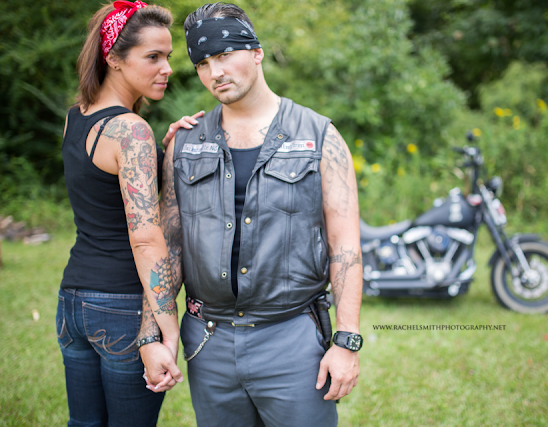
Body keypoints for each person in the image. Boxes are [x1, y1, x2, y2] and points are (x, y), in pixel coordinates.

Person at [141, 3, 364, 426]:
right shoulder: (184, 144)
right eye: (202, 63)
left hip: (293, 338)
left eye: (225, 55)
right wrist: (151, 334)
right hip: (209, 342)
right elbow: (166, 248)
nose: (215, 72)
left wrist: (346, 341)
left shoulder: (320, 137)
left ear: (257, 52)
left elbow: (345, 245)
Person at [56, 1, 193, 425]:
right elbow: (146, 237)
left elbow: (103, 196)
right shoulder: (131, 130)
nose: (167, 68)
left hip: (73, 301)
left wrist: (162, 154)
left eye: (167, 56)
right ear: (113, 59)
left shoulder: (76, 118)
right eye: (153, 57)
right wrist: (167, 329)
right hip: (122, 308)